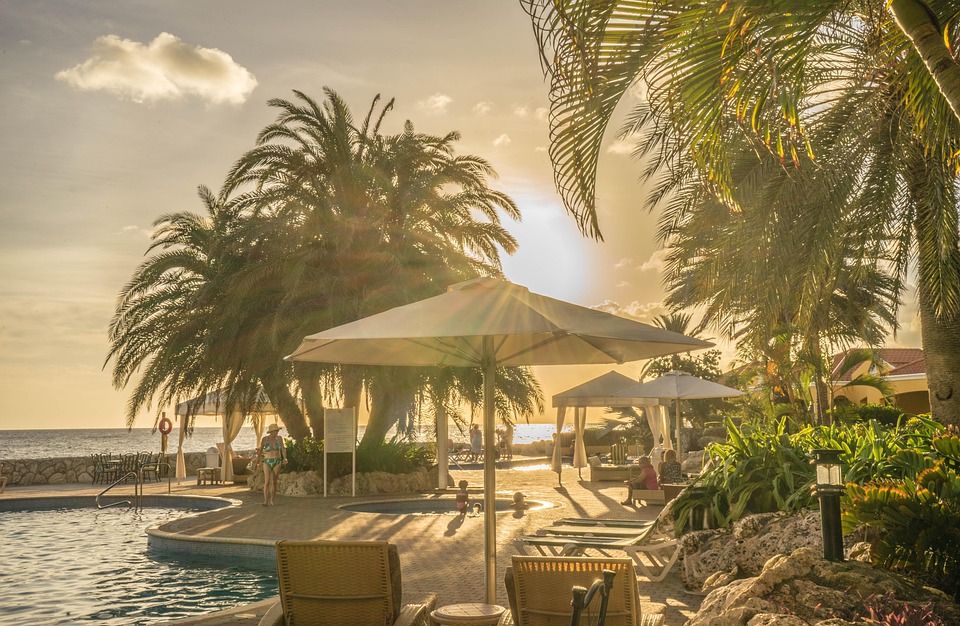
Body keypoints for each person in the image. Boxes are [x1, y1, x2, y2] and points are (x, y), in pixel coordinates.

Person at [258, 423, 287, 506]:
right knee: (267, 481)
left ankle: (272, 500)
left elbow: (283, 449)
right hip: (267, 461)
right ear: (272, 432)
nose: (277, 432)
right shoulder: (264, 439)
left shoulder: (279, 439)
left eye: (277, 431)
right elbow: (260, 452)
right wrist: (256, 461)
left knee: (274, 481)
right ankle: (265, 500)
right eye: (276, 431)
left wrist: (285, 458)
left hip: (277, 461)